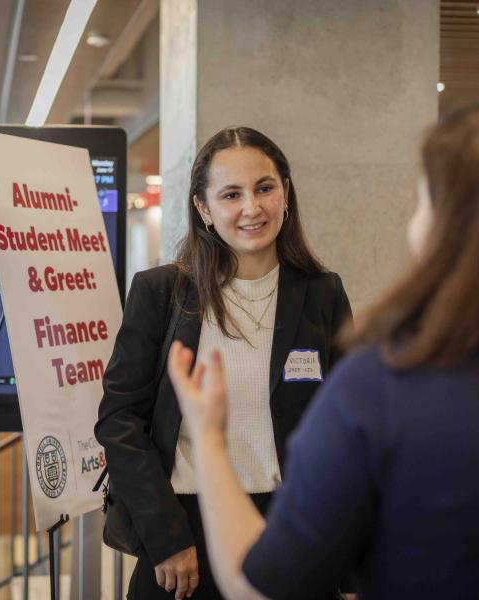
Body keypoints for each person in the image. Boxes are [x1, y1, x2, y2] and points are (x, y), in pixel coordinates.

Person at [167, 100, 479, 599]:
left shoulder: (385, 386)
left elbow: (262, 587)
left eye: (422, 200)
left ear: (453, 225)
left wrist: (206, 433)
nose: (252, 207)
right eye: (231, 194)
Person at [96, 126, 351, 599]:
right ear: (203, 208)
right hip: (183, 534)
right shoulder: (161, 293)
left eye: (265, 188)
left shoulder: (322, 294)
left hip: (294, 532)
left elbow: (350, 431)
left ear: (286, 193)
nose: (251, 208)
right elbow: (119, 421)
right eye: (231, 194)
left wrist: (352, 565)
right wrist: (165, 537)